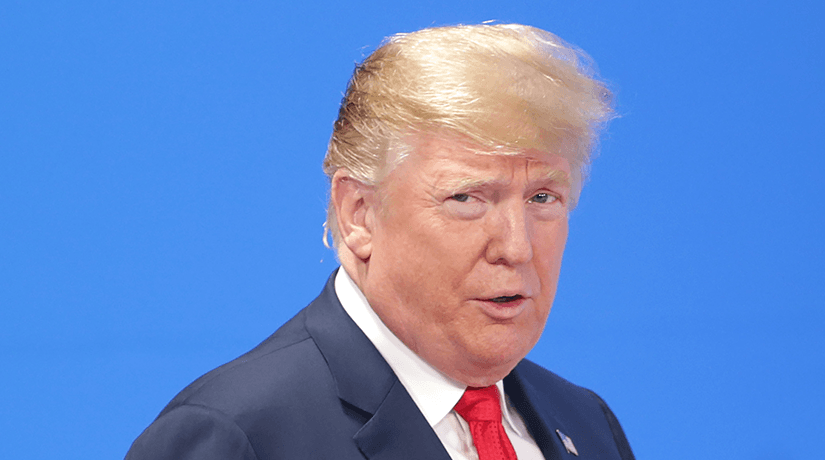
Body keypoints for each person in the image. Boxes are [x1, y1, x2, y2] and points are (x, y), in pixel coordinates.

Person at [126, 23, 634, 460]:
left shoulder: (585, 423)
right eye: (467, 198)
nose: (517, 248)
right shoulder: (239, 437)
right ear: (359, 214)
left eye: (542, 198)